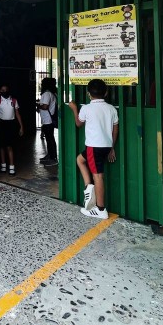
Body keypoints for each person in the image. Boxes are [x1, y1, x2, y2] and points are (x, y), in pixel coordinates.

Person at [68, 79, 118, 220]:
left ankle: (100, 209)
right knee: (80, 159)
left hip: (93, 147)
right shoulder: (111, 109)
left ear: (88, 94)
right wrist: (112, 148)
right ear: (106, 92)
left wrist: (74, 109)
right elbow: (115, 130)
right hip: (106, 146)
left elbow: (78, 123)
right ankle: (88, 187)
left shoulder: (86, 108)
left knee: (98, 175)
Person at [0, 85, 24, 175]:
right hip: (0, 124)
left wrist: (21, 126)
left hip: (11, 125)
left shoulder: (13, 100)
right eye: (2, 90)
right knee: (1, 146)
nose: (4, 91)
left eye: (6, 90)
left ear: (9, 90)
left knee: (9, 146)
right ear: (0, 91)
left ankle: (11, 167)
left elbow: (17, 113)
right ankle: (3, 165)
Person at [38, 77, 58, 165]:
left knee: (50, 139)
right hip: (48, 120)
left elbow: (45, 106)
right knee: (50, 138)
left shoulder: (46, 94)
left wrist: (37, 105)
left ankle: (53, 158)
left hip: (48, 120)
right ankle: (50, 155)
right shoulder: (52, 93)